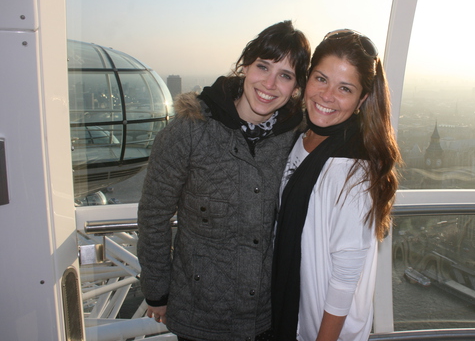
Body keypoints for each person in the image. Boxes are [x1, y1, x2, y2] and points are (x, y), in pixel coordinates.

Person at [137, 20, 310, 341]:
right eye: (263, 67)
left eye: (285, 75)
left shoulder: (297, 137)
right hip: (201, 313)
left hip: (269, 313)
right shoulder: (190, 130)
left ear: (296, 87)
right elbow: (153, 215)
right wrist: (157, 292)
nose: (270, 83)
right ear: (244, 66)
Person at [272, 29, 402, 341]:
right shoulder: (301, 137)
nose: (327, 96)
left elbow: (346, 276)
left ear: (362, 99)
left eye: (344, 88)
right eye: (321, 79)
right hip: (295, 315)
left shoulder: (352, 168)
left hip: (320, 330)